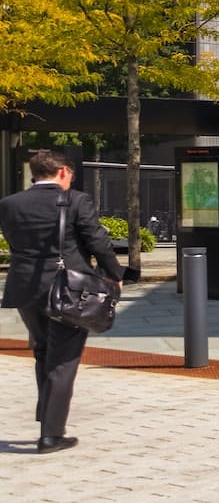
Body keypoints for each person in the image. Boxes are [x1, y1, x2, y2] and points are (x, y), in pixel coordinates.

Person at [0, 149, 122, 454]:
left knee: (42, 350)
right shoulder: (77, 200)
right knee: (64, 359)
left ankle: (47, 416)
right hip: (70, 289)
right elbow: (97, 241)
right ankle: (52, 435)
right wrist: (115, 274)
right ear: (63, 172)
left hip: (25, 287)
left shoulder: (9, 204)